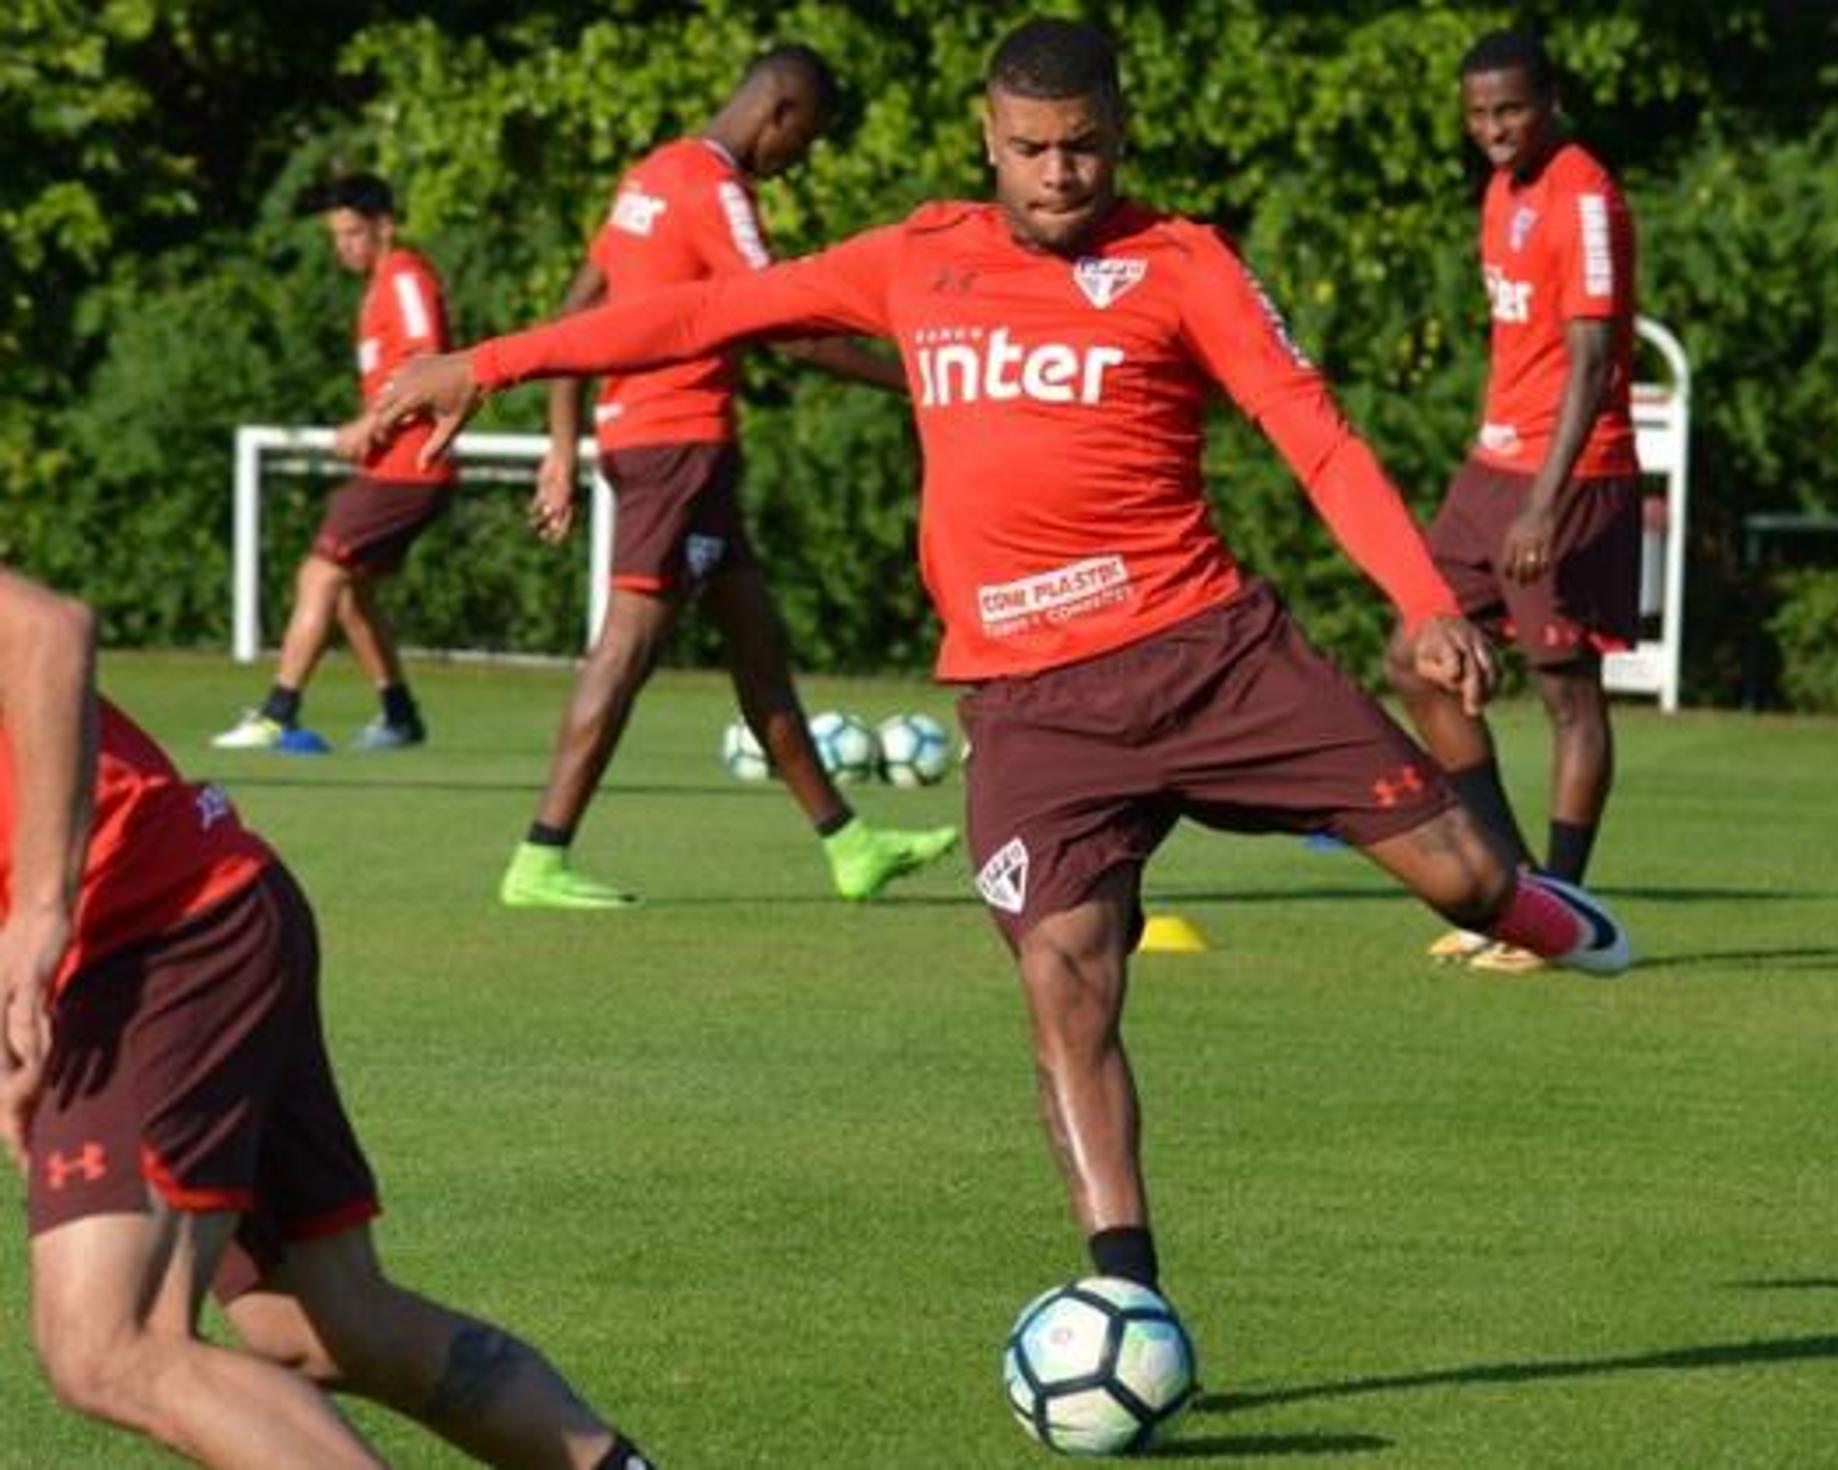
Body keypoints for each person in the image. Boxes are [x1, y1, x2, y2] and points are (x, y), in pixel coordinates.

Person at [375, 17, 1631, 1298]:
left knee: (1466, 880)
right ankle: (1122, 1292)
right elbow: (699, 310)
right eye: (1030, 149)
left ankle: (1537, 908)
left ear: (1117, 136)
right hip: (1033, 705)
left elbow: (1313, 435)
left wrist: (1421, 600)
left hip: (1212, 654)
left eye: (1083, 148)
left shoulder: (1184, 262)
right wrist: (486, 364)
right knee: (1064, 978)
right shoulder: (916, 259)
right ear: (989, 139)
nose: (1057, 175)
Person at [1, 567, 658, 1468]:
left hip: (158, 936)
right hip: (208, 918)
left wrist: (42, 910)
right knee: (321, 1320)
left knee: (110, 1346)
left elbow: (46, 634)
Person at [501, 44, 957, 908]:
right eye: (807, 140)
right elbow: (783, 321)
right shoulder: (714, 189)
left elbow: (575, 309)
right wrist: (921, 376)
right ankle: (541, 856)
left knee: (758, 648)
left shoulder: (652, 175)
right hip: (677, 445)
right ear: (778, 113)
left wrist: (563, 443)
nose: (801, 159)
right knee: (627, 644)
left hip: (658, 443)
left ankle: (851, 847)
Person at [1385, 29, 1642, 973]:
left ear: (1551, 99)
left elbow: (1591, 359)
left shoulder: (1586, 196)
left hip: (1565, 478)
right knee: (1417, 653)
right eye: (1479, 114)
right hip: (1493, 466)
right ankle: (1513, 887)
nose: (1494, 129)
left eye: (1511, 110)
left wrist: (1544, 503)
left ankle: (1562, 908)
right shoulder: (1504, 190)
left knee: (1568, 694)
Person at [213, 173, 457, 755]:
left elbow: (430, 360)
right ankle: (399, 715)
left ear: (385, 226)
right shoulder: (379, 285)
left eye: (353, 232)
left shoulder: (404, 275)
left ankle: (278, 712)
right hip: (392, 464)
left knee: (319, 573)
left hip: (410, 466)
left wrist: (370, 426)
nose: (344, 245)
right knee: (350, 592)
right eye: (337, 235)